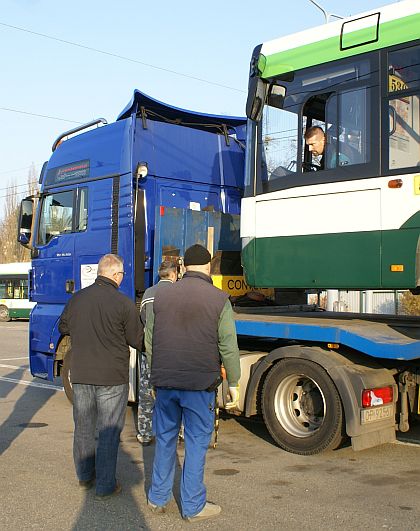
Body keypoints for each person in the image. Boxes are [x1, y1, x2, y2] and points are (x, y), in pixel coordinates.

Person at [147, 244, 241, 522]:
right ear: (209, 267)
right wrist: (233, 382)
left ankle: (157, 498)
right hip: (199, 385)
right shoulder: (218, 298)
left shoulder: (161, 296)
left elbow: (151, 341)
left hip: (165, 382)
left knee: (164, 439)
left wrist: (156, 375)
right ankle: (192, 506)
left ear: (183, 267)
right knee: (196, 443)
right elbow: (228, 345)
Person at [58, 254, 143, 499]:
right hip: (112, 378)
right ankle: (105, 485)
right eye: (122, 274)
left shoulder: (77, 299)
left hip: (82, 374)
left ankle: (85, 476)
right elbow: (137, 340)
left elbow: (64, 327)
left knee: (83, 426)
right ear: (116, 275)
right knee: (108, 431)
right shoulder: (123, 303)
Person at [137, 260, 178, 445]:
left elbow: (143, 318)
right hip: (171, 353)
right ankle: (177, 433)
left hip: (149, 351)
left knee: (147, 395)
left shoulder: (147, 293)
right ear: (174, 274)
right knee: (176, 394)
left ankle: (145, 433)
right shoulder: (177, 293)